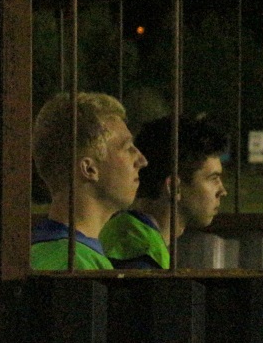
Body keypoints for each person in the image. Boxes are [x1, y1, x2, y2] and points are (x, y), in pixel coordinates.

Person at [30, 92, 147, 270]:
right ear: (89, 169)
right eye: (128, 148)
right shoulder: (73, 264)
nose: (142, 160)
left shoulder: (54, 251)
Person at [100, 115, 227, 269]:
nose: (222, 191)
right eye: (213, 178)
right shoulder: (142, 260)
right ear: (174, 187)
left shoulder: (125, 234)